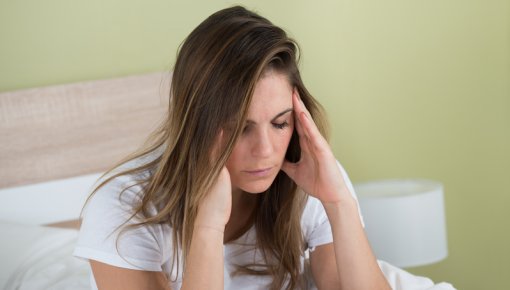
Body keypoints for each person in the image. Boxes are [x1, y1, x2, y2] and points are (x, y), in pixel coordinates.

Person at [73, 6, 391, 290]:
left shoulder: (311, 182)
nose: (265, 150)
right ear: (198, 123)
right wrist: (209, 224)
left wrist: (339, 204)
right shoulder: (123, 208)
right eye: (241, 129)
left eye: (280, 123)